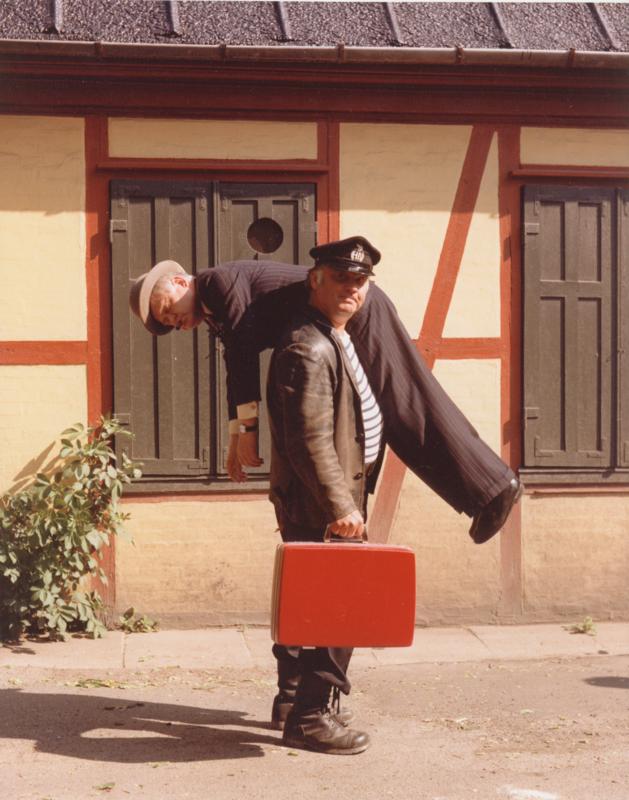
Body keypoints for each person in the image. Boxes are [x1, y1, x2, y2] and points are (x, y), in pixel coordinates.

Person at [129, 242, 522, 544]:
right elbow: (238, 361)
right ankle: (483, 494)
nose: (174, 323)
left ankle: (495, 488)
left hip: (360, 312)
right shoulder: (215, 309)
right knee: (392, 416)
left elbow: (242, 356)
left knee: (409, 404)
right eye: (167, 323)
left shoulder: (215, 283)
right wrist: (236, 435)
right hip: (338, 322)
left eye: (168, 310)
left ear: (181, 282)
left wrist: (244, 433)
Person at [265, 237, 382, 754]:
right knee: (341, 612)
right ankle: (311, 715)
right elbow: (308, 439)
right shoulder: (308, 347)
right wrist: (342, 509)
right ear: (316, 280)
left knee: (305, 606)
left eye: (359, 281)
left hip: (324, 500)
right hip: (327, 505)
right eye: (341, 278)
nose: (351, 289)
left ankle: (292, 700)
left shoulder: (327, 336)